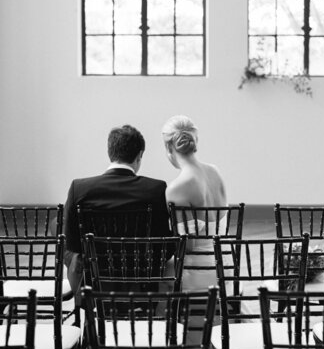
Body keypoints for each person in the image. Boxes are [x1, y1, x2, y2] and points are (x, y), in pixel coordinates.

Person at [64, 124, 172, 298]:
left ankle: (81, 290)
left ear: (110, 152)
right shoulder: (156, 189)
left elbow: (72, 244)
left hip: (95, 273)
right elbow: (164, 244)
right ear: (139, 156)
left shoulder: (80, 188)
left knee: (60, 230)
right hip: (140, 275)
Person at [162, 115, 227, 291]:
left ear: (168, 146)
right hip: (225, 266)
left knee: (156, 274)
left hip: (199, 272)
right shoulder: (215, 172)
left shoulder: (176, 188)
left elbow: (187, 245)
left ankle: (169, 318)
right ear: (195, 140)